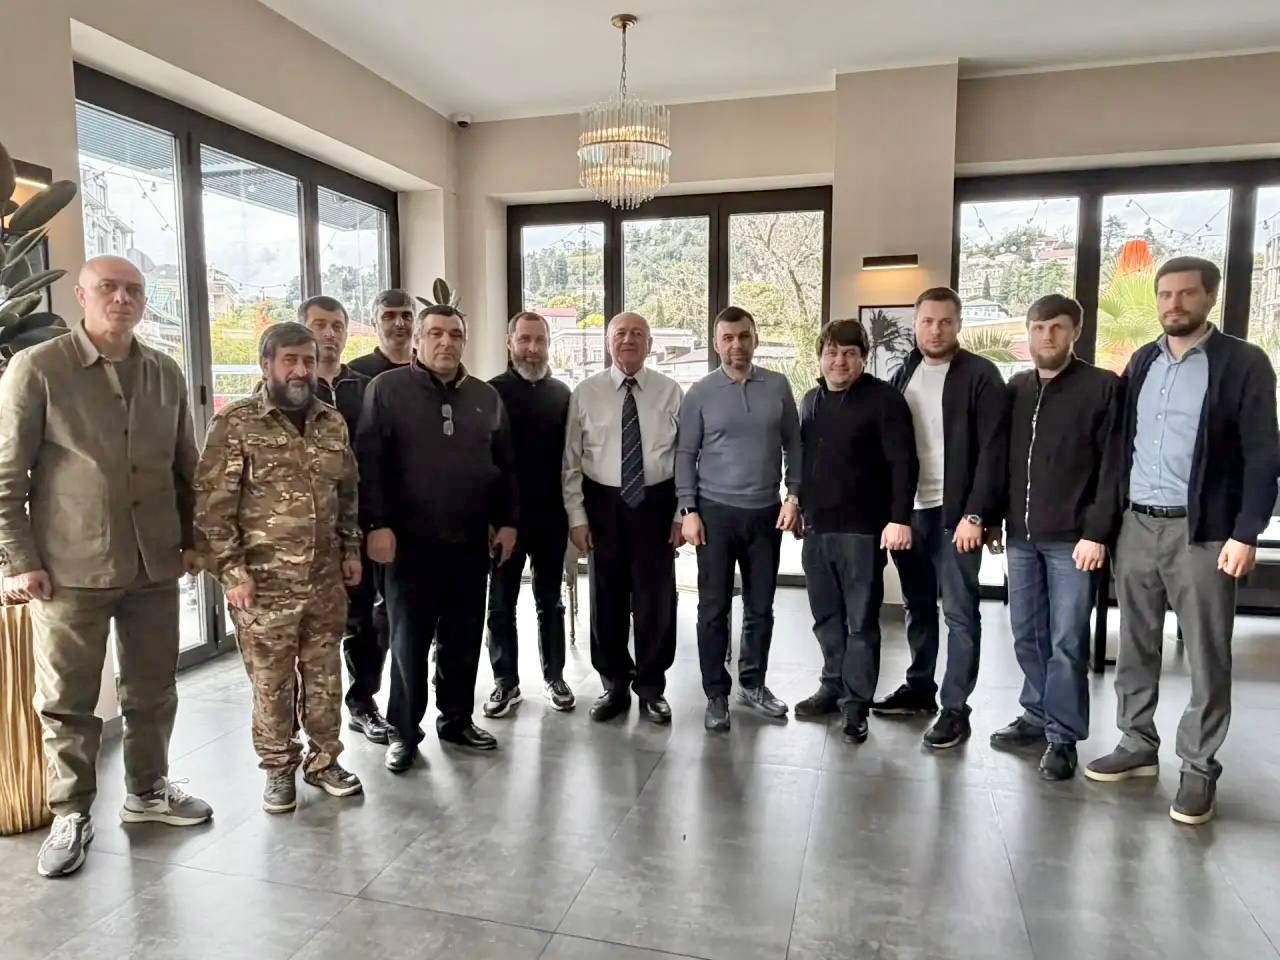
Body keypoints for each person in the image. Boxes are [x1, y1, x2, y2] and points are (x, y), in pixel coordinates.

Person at [0, 255, 212, 878]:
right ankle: (70, 811)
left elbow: (186, 466)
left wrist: (194, 539)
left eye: (134, 290)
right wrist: (20, 561)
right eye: (109, 288)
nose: (122, 299)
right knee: (66, 698)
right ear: (81, 294)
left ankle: (148, 791)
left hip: (153, 564)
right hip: (68, 570)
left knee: (153, 689)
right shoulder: (38, 368)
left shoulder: (164, 371)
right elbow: (7, 477)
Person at [1085, 256, 1280, 825]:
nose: (1174, 304)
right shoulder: (1142, 361)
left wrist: (1247, 531)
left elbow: (1264, 453)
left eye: (1186, 294)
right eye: (1166, 294)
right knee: (1136, 642)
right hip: (1137, 524)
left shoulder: (1242, 363)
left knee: (1207, 651)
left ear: (1209, 297)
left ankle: (1198, 766)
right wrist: (1108, 522)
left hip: (1204, 530)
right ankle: (1136, 742)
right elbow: (1120, 446)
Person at [195, 323, 364, 813]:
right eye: (290, 360)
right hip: (262, 586)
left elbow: (347, 494)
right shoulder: (236, 423)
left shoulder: (331, 422)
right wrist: (232, 572)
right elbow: (211, 507)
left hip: (324, 581)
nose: (300, 370)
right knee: (272, 683)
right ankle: (277, 767)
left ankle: (324, 761)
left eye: (308, 361)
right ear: (266, 363)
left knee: (325, 677)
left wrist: (351, 551)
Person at [359, 305, 518, 771]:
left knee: (463, 638)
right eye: (435, 334)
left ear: (464, 341)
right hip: (407, 545)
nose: (446, 342)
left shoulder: (485, 397)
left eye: (455, 334)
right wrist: (376, 525)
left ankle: (457, 719)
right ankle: (404, 732)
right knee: (408, 643)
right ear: (418, 340)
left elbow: (505, 467)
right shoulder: (386, 390)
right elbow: (369, 462)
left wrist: (508, 521)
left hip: (469, 542)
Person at [994, 295, 1122, 781]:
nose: (1046, 336)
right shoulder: (1017, 388)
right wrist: (993, 518)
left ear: (1075, 333)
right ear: (1027, 333)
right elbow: (1003, 461)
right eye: (1038, 327)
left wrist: (1097, 531)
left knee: (1067, 641)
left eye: (1057, 327)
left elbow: (1113, 467)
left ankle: (1063, 737)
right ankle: (1036, 713)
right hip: (1021, 537)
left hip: (1074, 541)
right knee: (1026, 633)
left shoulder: (1102, 386)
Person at [875, 287, 1007, 750]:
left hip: (956, 518)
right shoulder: (904, 372)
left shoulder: (981, 375)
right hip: (911, 513)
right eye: (928, 321)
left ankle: (955, 709)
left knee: (960, 613)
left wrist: (978, 514)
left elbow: (993, 451)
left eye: (945, 322)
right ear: (915, 323)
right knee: (917, 606)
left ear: (958, 325)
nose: (936, 330)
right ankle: (920, 688)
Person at [676, 306, 801, 732]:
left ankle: (753, 683)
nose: (736, 345)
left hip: (765, 513)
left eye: (743, 336)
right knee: (713, 608)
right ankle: (716, 693)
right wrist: (688, 510)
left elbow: (794, 446)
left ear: (755, 338)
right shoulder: (700, 392)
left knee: (760, 606)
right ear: (716, 344)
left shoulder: (778, 386)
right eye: (727, 338)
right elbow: (685, 454)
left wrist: (793, 496)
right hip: (713, 514)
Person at [795, 319, 916, 743]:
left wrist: (899, 518)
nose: (840, 361)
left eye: (849, 353)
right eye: (831, 352)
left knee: (861, 622)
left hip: (863, 531)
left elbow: (903, 463)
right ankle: (832, 685)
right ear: (820, 357)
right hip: (817, 529)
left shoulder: (884, 400)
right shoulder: (810, 401)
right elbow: (801, 462)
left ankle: (856, 703)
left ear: (863, 358)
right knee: (826, 617)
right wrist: (796, 504)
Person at [564, 312, 684, 725]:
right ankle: (614, 683)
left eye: (637, 334)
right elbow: (571, 461)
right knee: (606, 598)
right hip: (603, 505)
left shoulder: (670, 391)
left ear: (650, 344)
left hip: (657, 503)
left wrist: (681, 513)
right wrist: (577, 517)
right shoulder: (585, 392)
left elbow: (686, 457)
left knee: (656, 600)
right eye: (620, 333)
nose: (628, 339)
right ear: (608, 342)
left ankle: (651, 687)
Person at [300, 296, 392, 744]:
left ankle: (362, 702)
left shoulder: (365, 387)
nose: (330, 334)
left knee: (366, 620)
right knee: (308, 632)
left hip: (358, 527)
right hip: (303, 533)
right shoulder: (290, 388)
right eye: (320, 325)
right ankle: (305, 724)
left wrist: (377, 524)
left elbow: (379, 457)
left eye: (337, 325)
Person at [484, 311, 575, 717]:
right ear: (510, 343)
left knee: (550, 601)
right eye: (525, 339)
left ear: (548, 344)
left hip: (551, 516)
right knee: (501, 603)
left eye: (539, 340)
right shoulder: (490, 393)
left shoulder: (563, 395)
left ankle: (555, 677)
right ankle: (505, 682)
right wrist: (492, 519)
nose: (532, 348)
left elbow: (573, 459)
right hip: (506, 520)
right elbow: (485, 462)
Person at [349, 288, 415, 378]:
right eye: (389, 317)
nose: (400, 323)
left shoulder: (430, 367)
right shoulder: (355, 372)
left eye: (406, 316)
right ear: (374, 324)